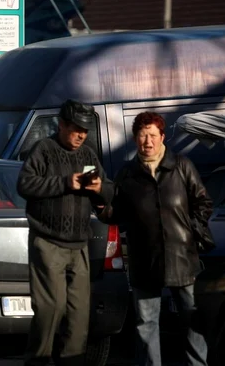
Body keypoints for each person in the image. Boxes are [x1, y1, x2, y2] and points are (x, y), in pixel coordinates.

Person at [98, 112, 212, 366]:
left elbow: (203, 202)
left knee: (192, 320)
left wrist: (190, 231)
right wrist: (98, 201)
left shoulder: (181, 166)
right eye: (142, 135)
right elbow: (114, 213)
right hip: (144, 259)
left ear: (162, 137)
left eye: (152, 135)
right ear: (134, 138)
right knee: (146, 325)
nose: (147, 141)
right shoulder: (127, 173)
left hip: (183, 258)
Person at [17, 99, 113, 366]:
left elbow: (106, 190)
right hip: (47, 242)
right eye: (76, 129)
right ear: (62, 125)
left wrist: (99, 190)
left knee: (79, 314)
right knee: (50, 309)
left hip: (79, 245)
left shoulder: (88, 155)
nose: (81, 135)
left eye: (85, 130)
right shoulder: (44, 150)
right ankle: (37, 361)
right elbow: (25, 184)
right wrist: (64, 182)